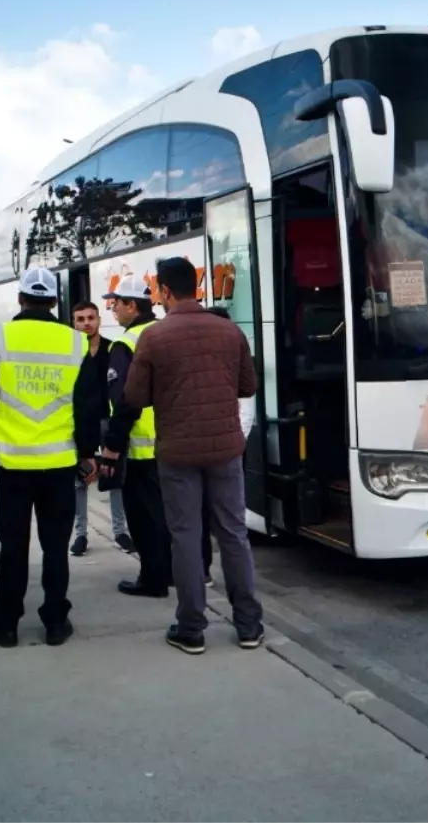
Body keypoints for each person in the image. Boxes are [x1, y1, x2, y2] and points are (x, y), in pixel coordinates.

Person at [123, 257, 264, 655]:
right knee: (234, 534)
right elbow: (247, 385)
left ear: (165, 291)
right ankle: (249, 625)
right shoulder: (229, 330)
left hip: (178, 451)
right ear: (196, 288)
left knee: (185, 536)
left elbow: (135, 397)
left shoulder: (154, 337)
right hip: (225, 449)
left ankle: (191, 628)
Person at [0, 267, 103, 649]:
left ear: (19, 299)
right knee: (55, 546)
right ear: (54, 301)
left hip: (13, 465)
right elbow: (88, 406)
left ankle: (6, 624)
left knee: (13, 547)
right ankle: (55, 622)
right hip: (60, 464)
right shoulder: (76, 343)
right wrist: (86, 454)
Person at [99, 275, 171, 598]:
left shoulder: (126, 344)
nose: (113, 310)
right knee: (172, 515)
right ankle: (172, 572)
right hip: (172, 443)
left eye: (116, 304)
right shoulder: (165, 333)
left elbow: (124, 401)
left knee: (144, 519)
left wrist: (113, 444)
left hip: (141, 450)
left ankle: (152, 579)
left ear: (132, 305)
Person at [69, 300, 132, 557]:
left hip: (109, 423)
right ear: (73, 323)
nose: (86, 324)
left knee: (114, 477)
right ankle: (80, 534)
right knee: (80, 481)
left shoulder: (112, 349)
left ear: (98, 319)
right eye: (80, 319)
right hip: (78, 423)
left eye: (90, 318)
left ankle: (120, 532)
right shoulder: (70, 352)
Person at [201, 306, 256, 587]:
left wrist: (236, 443)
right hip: (225, 446)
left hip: (228, 447)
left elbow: (246, 407)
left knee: (223, 519)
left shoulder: (233, 356)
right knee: (222, 520)